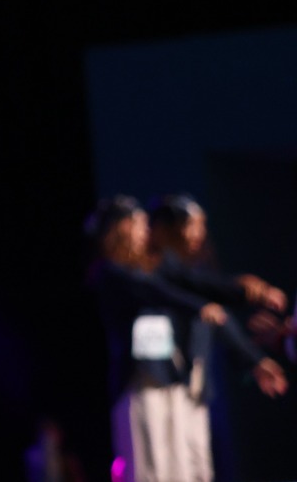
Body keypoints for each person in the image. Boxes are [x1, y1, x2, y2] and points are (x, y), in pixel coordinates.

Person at [86, 196, 285, 482]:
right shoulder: (111, 272)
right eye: (138, 223)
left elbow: (200, 284)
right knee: (151, 465)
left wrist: (246, 292)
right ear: (121, 228)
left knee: (185, 465)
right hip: (140, 377)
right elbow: (155, 291)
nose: (145, 230)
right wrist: (199, 307)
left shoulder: (156, 267)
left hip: (172, 375)